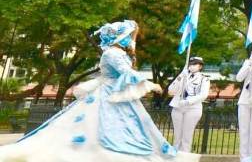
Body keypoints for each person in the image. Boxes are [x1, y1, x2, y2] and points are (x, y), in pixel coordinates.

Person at [0, 20, 198, 162]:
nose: (130, 39)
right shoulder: (112, 54)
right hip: (109, 95)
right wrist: (151, 85)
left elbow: (127, 63)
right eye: (128, 36)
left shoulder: (116, 52)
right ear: (120, 37)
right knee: (103, 128)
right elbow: (126, 72)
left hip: (115, 93)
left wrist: (134, 41)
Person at [167, 56, 211, 153]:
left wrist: (188, 101)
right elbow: (171, 90)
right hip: (178, 107)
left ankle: (184, 155)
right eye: (190, 64)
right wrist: (180, 76)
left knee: (187, 135)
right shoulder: (183, 76)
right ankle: (175, 154)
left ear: (200, 66)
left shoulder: (204, 79)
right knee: (177, 134)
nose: (192, 66)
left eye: (194, 64)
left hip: (193, 108)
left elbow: (203, 95)